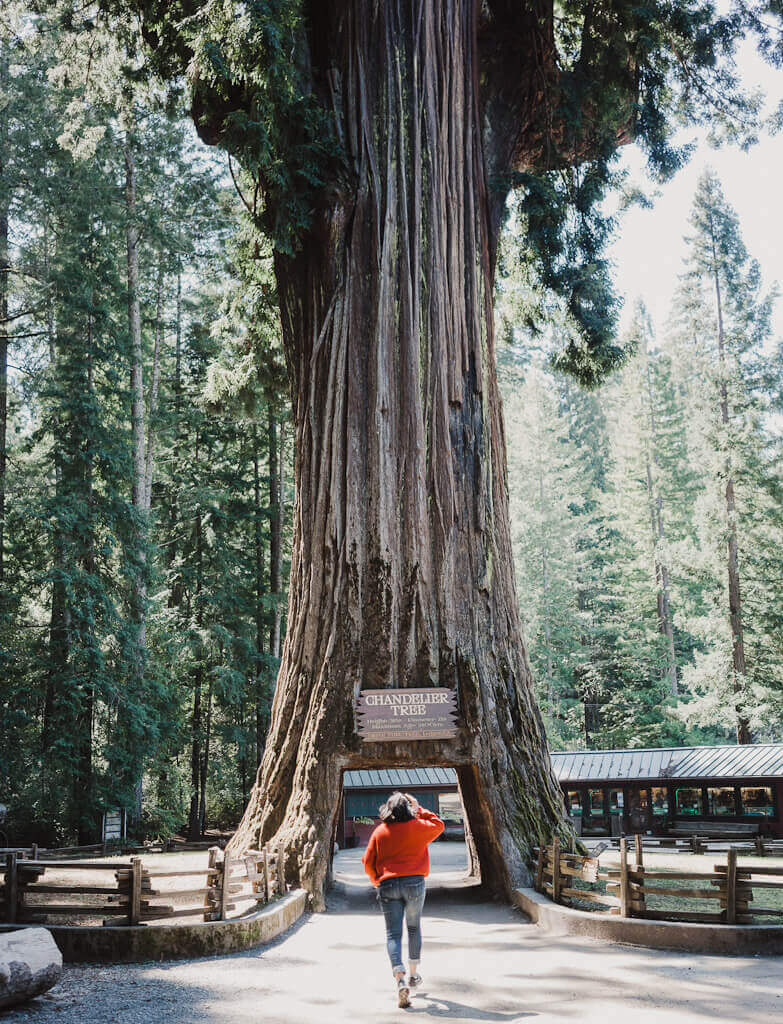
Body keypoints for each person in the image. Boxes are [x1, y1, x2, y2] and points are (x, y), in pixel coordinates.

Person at [362, 791, 444, 1008]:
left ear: (387, 809)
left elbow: (367, 860)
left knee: (393, 934)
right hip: (415, 884)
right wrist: (419, 809)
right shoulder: (419, 827)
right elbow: (438, 824)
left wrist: (375, 880)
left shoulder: (380, 832)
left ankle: (399, 977)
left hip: (387, 885)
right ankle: (414, 975)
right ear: (409, 809)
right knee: (414, 928)